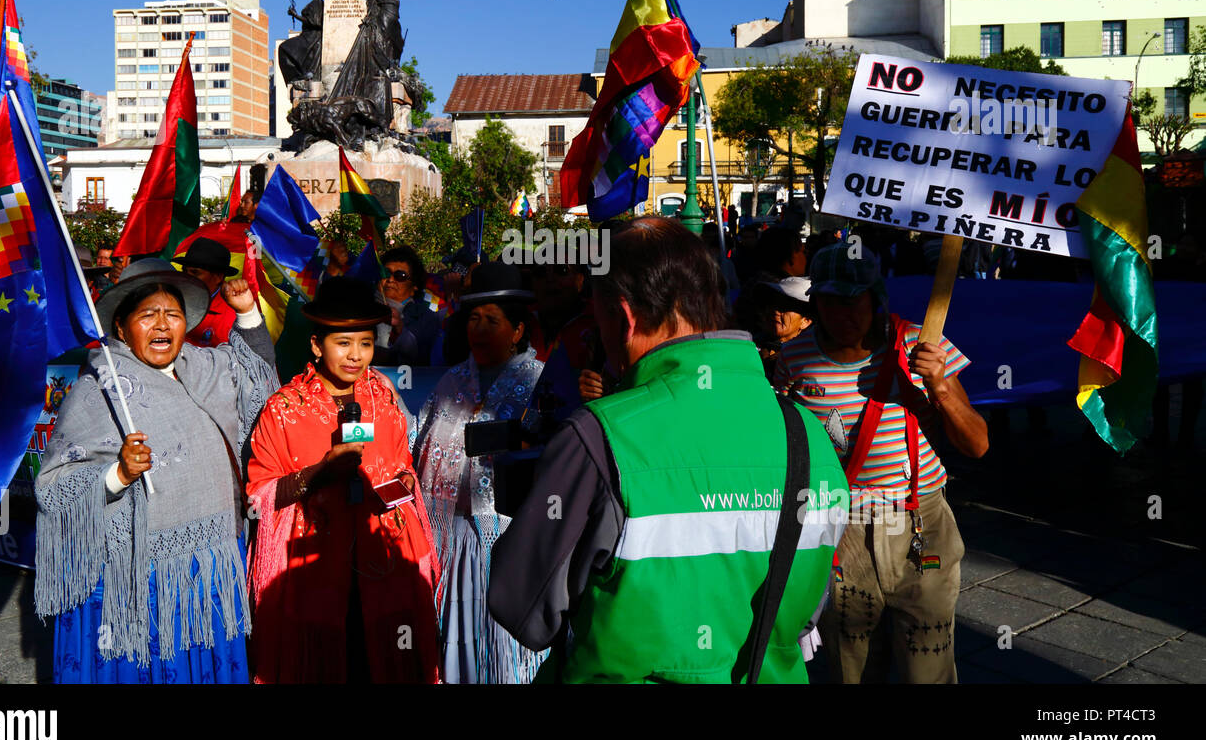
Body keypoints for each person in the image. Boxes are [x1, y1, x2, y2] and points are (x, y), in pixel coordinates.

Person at [488, 217, 847, 682]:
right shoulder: (809, 434)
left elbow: (520, 605)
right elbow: (808, 609)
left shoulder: (599, 437)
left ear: (623, 316)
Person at [34, 258, 280, 683]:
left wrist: (246, 313)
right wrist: (118, 475)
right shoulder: (99, 389)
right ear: (122, 327)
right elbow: (54, 486)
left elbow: (259, 377)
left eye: (173, 315)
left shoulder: (206, 367)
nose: (162, 325)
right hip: (140, 580)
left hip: (211, 566)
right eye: (148, 315)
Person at [773, 243, 988, 684]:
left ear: (875, 299)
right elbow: (788, 449)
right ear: (815, 303)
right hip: (841, 527)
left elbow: (977, 445)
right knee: (851, 664)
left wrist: (940, 386)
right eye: (830, 302)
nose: (843, 314)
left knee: (927, 664)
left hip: (919, 520)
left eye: (854, 302)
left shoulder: (917, 343)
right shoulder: (795, 360)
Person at [246, 276, 441, 683]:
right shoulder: (283, 409)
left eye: (366, 343)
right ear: (317, 345)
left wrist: (400, 484)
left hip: (385, 560)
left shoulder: (384, 395)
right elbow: (259, 496)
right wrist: (321, 473)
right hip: (313, 570)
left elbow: (403, 464)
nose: (356, 356)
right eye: (343, 343)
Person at [413, 262, 546, 683]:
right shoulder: (451, 382)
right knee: (458, 641)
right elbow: (416, 440)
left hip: (511, 542)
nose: (480, 328)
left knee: (505, 651)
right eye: (473, 318)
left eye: (492, 320)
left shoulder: (540, 382)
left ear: (518, 331)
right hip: (449, 542)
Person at [377, 245, 442, 367]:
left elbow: (423, 358)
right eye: (385, 273)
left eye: (400, 276)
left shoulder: (427, 318)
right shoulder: (362, 308)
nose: (390, 279)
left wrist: (400, 331)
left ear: (414, 286)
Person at [173, 237, 239, 347]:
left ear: (218, 277)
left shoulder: (233, 317)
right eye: (184, 271)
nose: (187, 277)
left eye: (195, 272)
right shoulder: (171, 301)